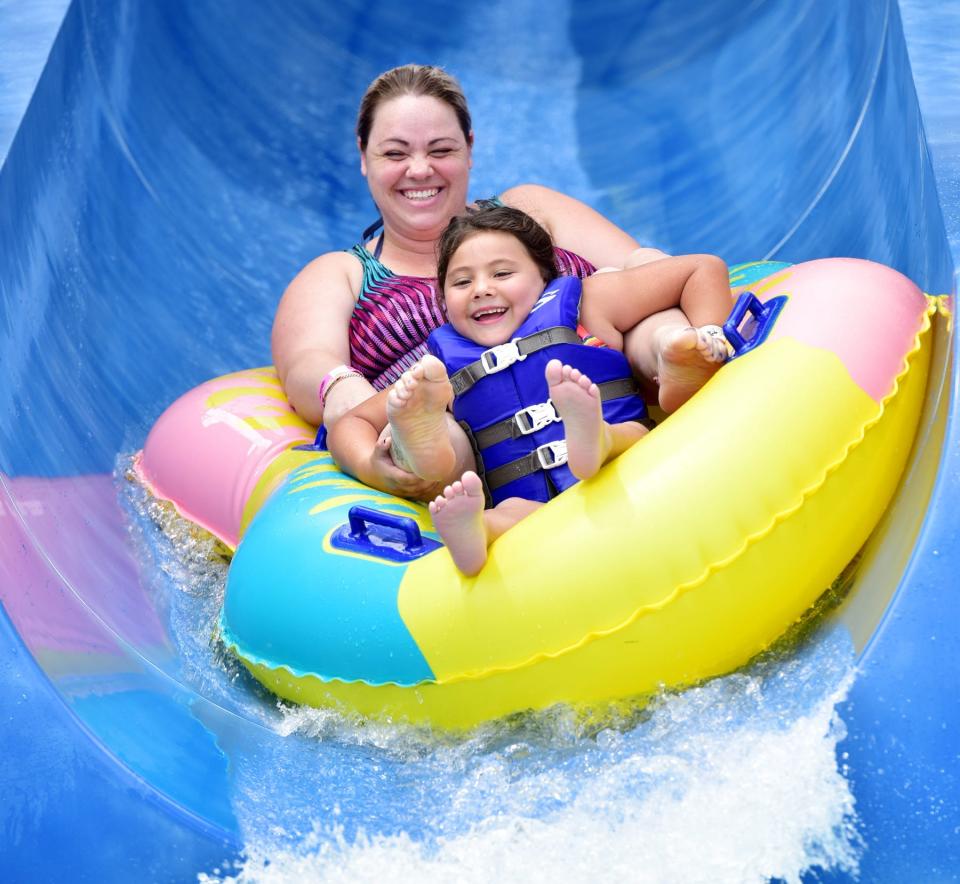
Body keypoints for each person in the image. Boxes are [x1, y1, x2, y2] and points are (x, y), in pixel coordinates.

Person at [272, 63, 719, 500]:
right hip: (472, 441)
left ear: (469, 148)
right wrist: (360, 420)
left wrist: (684, 297)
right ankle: (415, 450)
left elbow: (641, 269)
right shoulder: (342, 274)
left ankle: (679, 354)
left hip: (602, 392)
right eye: (395, 153)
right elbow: (313, 369)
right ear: (364, 157)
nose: (420, 169)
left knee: (634, 298)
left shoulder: (531, 210)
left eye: (441, 150)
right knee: (424, 415)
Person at [328, 206, 732, 574]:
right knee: (511, 511)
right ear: (444, 301)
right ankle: (475, 531)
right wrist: (369, 464)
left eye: (502, 274)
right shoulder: (440, 370)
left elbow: (701, 270)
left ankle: (603, 433)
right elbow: (352, 422)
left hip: (627, 461)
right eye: (461, 281)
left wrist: (708, 332)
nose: (481, 289)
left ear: (545, 277)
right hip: (533, 505)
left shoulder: (585, 304)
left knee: (633, 438)